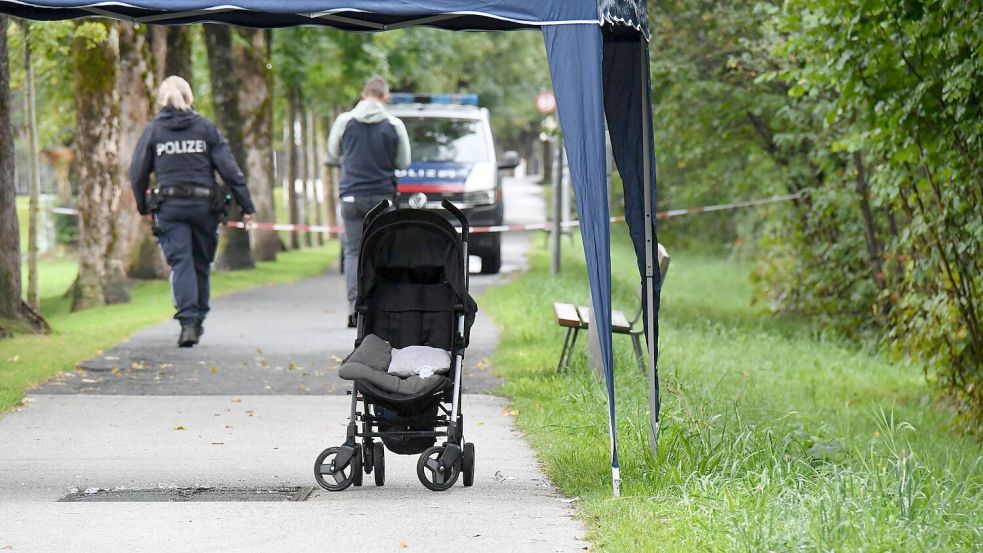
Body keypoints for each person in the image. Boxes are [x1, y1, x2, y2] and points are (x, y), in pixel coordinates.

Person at [130, 75, 256, 347]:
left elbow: (137, 173)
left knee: (182, 263)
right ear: (189, 98)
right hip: (204, 208)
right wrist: (246, 207)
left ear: (161, 100)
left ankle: (187, 322)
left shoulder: (154, 131)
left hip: (170, 208)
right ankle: (197, 319)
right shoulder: (206, 129)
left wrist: (143, 206)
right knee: (200, 263)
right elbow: (230, 171)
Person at [327, 77, 411, 327]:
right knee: (382, 253)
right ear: (385, 97)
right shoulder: (394, 124)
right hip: (383, 199)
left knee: (353, 253)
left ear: (364, 95)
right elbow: (403, 162)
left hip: (351, 197)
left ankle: (355, 309)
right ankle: (379, 309)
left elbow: (333, 152)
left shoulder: (344, 121)